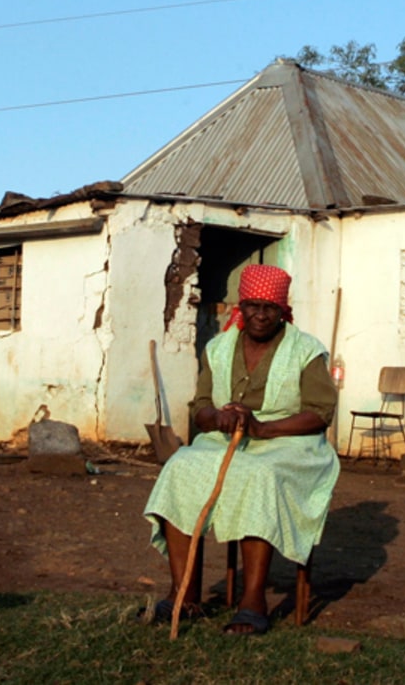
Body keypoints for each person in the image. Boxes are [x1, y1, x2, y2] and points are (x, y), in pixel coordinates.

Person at [142, 264, 339, 636]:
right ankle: (184, 595)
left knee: (257, 475)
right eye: (252, 306)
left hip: (289, 444)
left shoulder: (306, 350)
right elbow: (199, 405)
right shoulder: (218, 348)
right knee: (180, 468)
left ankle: (252, 602)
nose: (260, 315)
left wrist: (263, 428)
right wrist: (216, 416)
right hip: (224, 438)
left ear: (283, 311)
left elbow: (320, 414)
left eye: (270, 308)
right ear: (240, 307)